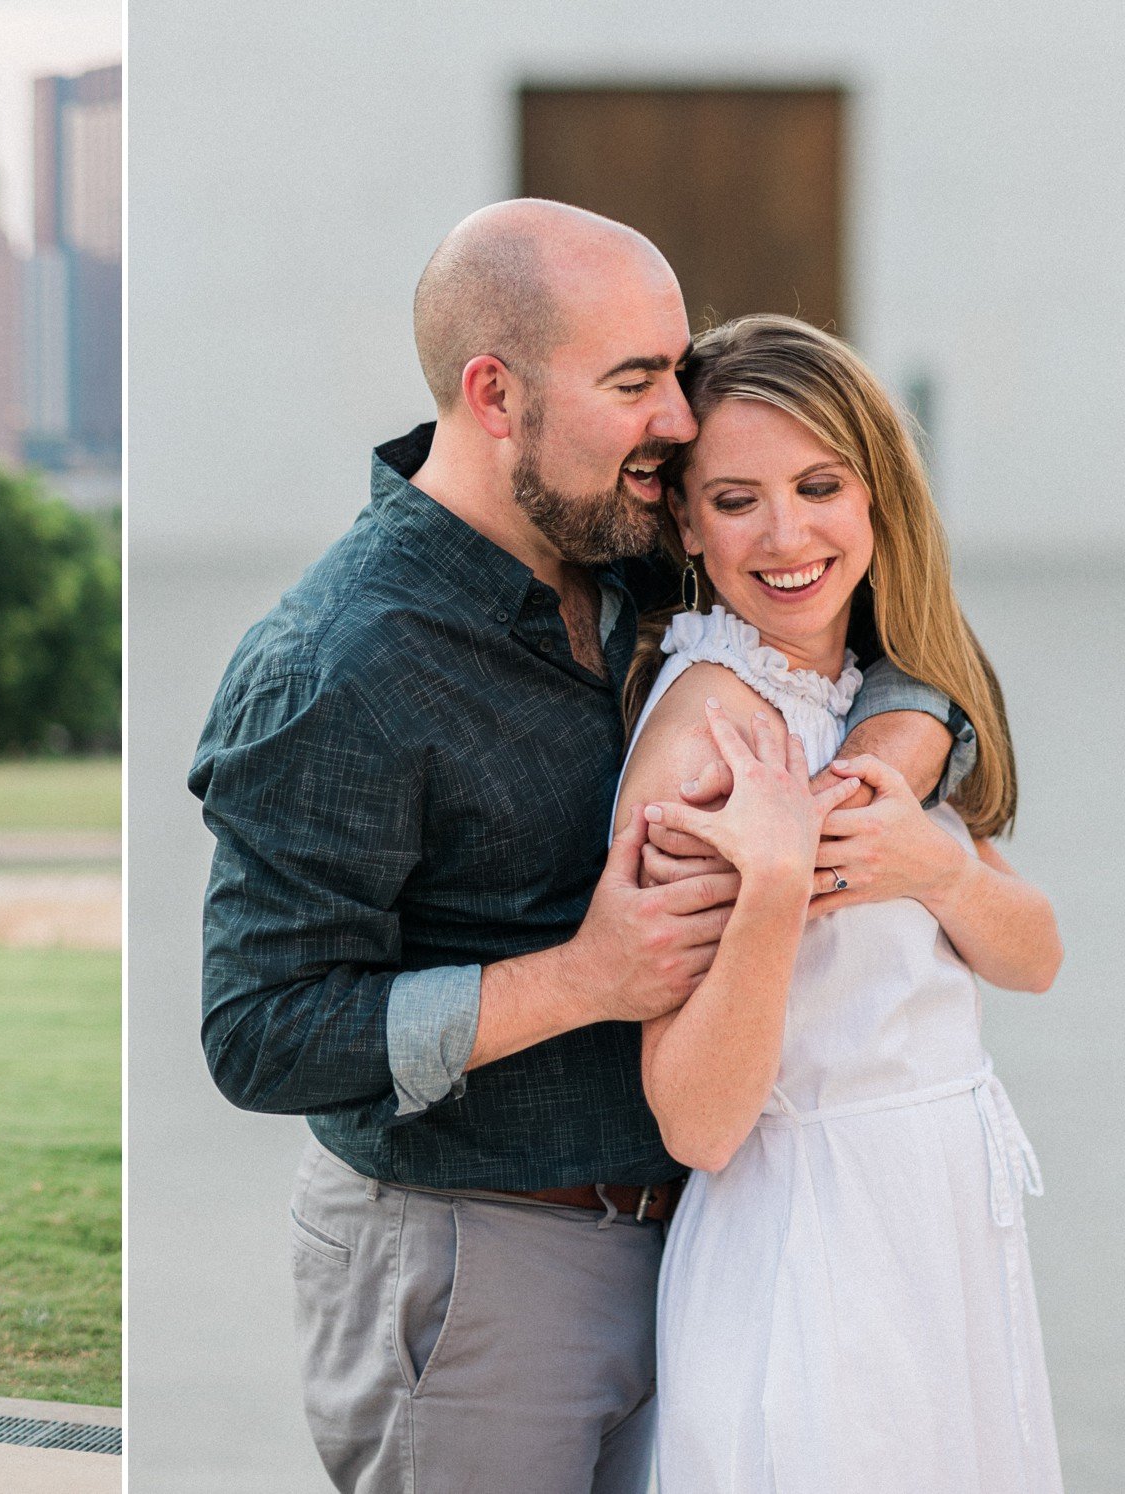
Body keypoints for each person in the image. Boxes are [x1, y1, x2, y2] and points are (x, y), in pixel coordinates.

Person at [188, 200, 974, 1493]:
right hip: (478, 1277)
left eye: (676, 368)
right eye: (636, 380)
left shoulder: (638, 559)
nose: (679, 417)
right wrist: (585, 976)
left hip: (699, 1259)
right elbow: (259, 1030)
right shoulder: (339, 665)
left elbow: (896, 642)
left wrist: (877, 765)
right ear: (497, 396)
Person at [614, 314, 1061, 1491]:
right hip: (812, 1242)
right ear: (680, 521)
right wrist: (769, 887)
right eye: (734, 500)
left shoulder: (868, 695)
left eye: (819, 485)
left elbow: (1035, 955)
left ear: (875, 496)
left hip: (938, 1228)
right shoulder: (709, 735)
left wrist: (938, 868)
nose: (786, 534)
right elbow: (698, 1124)